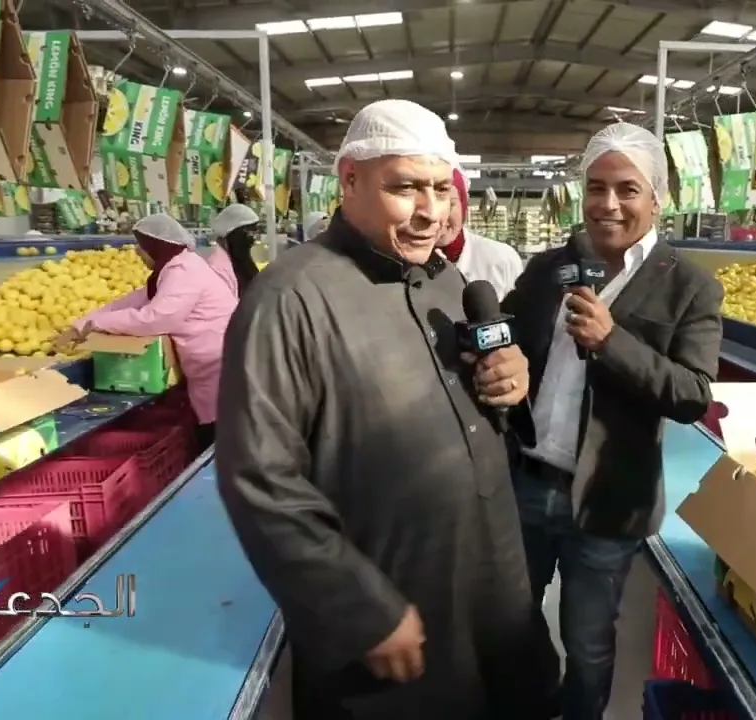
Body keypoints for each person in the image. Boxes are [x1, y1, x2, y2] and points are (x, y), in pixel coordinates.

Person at [215, 98, 558, 720]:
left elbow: (479, 420)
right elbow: (260, 480)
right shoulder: (289, 300)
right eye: (405, 188)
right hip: (394, 612)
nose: (430, 211)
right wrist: (357, 608)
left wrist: (509, 389)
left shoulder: (448, 282)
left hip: (494, 587)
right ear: (349, 180)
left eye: (440, 189)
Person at [500, 122, 724, 720]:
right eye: (596, 187)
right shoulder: (547, 269)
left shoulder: (688, 286)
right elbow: (509, 339)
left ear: (657, 197)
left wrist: (611, 341)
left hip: (608, 500)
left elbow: (692, 395)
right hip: (526, 483)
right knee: (509, 621)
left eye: (627, 189)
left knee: (589, 642)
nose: (608, 204)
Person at [54, 214, 237, 449]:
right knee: (218, 423)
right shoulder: (173, 268)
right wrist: (81, 325)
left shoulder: (184, 271)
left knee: (222, 430)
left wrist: (96, 324)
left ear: (156, 246)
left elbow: (156, 319)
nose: (137, 252)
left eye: (141, 246)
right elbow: (133, 301)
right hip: (212, 361)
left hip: (217, 362)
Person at [436, 168, 524, 296]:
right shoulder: (406, 265)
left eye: (450, 204)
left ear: (464, 205)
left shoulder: (502, 260)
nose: (436, 216)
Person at [209, 203, 262, 296]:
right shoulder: (217, 268)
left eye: (254, 230)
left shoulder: (242, 260)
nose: (253, 238)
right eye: (248, 230)